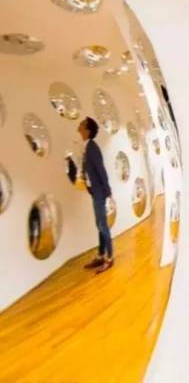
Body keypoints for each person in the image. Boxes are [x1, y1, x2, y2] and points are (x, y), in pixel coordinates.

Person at [66, 117, 114, 273]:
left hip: (99, 192)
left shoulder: (92, 147)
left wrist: (108, 192)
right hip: (94, 192)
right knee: (99, 225)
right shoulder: (87, 147)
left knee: (103, 226)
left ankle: (109, 258)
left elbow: (101, 170)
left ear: (87, 130)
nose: (79, 124)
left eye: (82, 123)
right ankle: (101, 255)